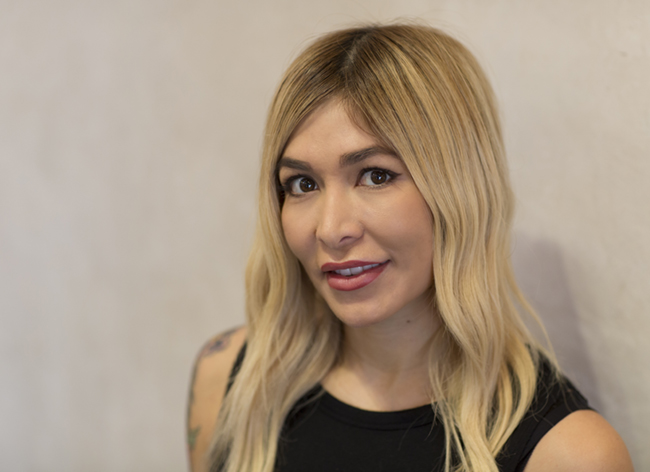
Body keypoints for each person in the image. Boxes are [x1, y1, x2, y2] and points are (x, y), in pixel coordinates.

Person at [187, 24, 633, 472]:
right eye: (303, 184)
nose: (331, 229)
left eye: (375, 175)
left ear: (460, 188)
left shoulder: (570, 455)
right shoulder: (227, 382)